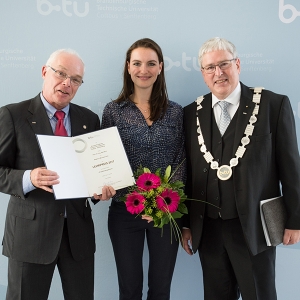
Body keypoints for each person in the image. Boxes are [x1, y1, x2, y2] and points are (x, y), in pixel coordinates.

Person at [182, 37, 300, 300]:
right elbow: (187, 173)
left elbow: (291, 170)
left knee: (260, 295)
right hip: (208, 230)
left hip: (255, 229)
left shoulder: (273, 105)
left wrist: (295, 220)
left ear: (237, 64)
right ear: (203, 74)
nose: (218, 73)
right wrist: (186, 224)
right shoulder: (191, 114)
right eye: (210, 68)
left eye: (224, 64)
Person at [0, 49, 115, 300]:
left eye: (75, 79)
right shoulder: (13, 115)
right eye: (61, 74)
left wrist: (100, 190)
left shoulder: (89, 119)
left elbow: (95, 173)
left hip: (78, 237)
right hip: (29, 236)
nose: (67, 83)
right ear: (44, 72)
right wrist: (28, 178)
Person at [101, 38, 186, 300]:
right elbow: (104, 160)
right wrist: (102, 186)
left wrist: (162, 206)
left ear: (160, 67)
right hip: (124, 213)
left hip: (166, 213)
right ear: (128, 67)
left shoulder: (176, 112)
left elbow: (182, 160)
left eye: (151, 63)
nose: (143, 69)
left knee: (160, 290)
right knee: (129, 290)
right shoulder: (113, 111)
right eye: (137, 63)